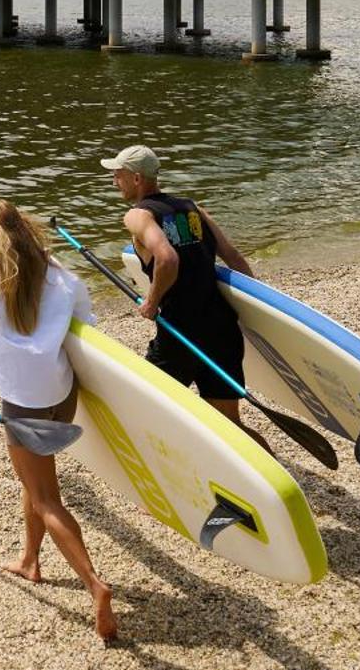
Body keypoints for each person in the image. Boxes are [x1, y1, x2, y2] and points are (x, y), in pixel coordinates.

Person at [0, 197, 116, 641]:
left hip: (23, 401)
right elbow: (88, 334)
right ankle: (30, 560)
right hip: (62, 395)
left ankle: (94, 584)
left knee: (46, 498)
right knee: (37, 484)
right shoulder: (66, 277)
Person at [101, 145, 265, 446]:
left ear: (137, 179)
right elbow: (234, 258)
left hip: (180, 332)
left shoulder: (138, 216)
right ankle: (272, 484)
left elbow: (167, 258)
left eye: (118, 175)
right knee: (229, 423)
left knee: (145, 406)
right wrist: (257, 313)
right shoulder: (193, 208)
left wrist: (151, 303)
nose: (114, 182)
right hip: (221, 326)